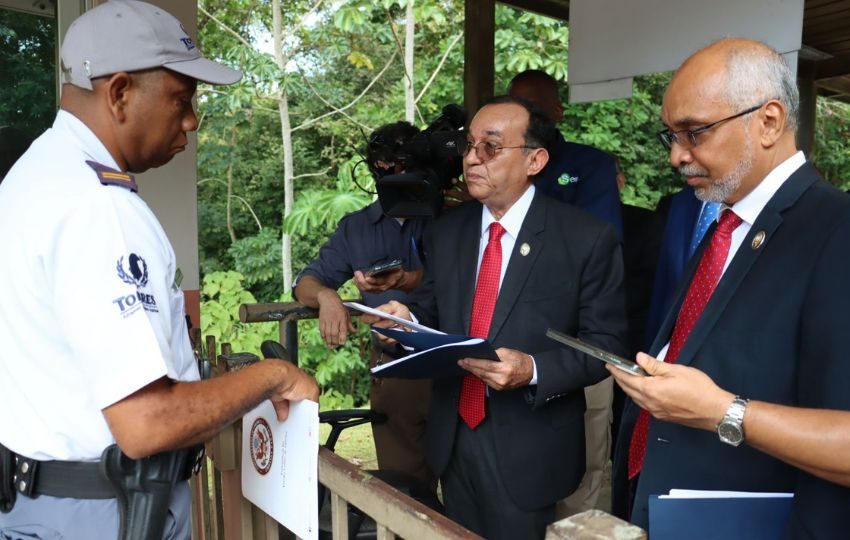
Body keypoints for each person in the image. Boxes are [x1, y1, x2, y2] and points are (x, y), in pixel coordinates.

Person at [0, 2, 318, 539]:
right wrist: (273, 376)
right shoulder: (99, 208)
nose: (192, 120)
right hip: (105, 514)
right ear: (120, 92)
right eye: (181, 98)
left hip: (43, 504)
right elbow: (147, 422)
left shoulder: (31, 177)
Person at [610, 38, 850, 537]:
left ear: (768, 122)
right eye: (670, 136)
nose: (677, 156)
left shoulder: (835, 230)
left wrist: (725, 412)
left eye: (695, 133)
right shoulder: (726, 222)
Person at [363, 96, 628, 539]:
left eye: (490, 147)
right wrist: (403, 319)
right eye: (469, 146)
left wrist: (534, 369)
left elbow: (607, 344)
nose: (471, 159)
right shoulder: (448, 232)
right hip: (454, 432)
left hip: (530, 442)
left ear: (535, 160)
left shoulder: (585, 238)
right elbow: (431, 306)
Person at [292, 122, 436, 494]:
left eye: (403, 162)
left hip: (459, 362)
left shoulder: (453, 217)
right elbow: (306, 281)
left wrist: (406, 279)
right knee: (407, 493)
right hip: (397, 369)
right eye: (386, 163)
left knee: (472, 493)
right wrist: (328, 297)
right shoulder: (357, 227)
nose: (393, 171)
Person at [508, 68, 623, 516]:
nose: (528, 114)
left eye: (535, 107)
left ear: (556, 112)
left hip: (578, 342)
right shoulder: (497, 169)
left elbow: (598, 243)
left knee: (586, 462)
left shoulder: (588, 165)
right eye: (518, 104)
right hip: (510, 344)